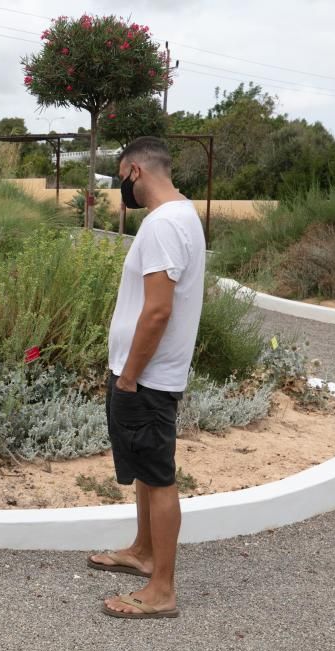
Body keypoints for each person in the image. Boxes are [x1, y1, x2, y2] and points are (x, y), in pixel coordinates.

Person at [87, 137, 206, 619]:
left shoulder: (162, 224)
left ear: (134, 171)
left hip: (148, 377)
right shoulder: (182, 216)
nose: (121, 188)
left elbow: (157, 311)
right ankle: (143, 551)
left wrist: (131, 376)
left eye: (120, 177)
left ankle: (162, 590)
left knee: (157, 476)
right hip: (145, 374)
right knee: (143, 467)